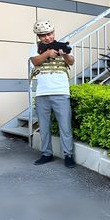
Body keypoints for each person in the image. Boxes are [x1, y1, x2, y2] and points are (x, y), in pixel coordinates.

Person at [30, 20, 75, 168]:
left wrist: (64, 55)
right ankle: (46, 154)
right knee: (44, 127)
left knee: (65, 126)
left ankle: (68, 155)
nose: (48, 37)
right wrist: (48, 53)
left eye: (49, 34)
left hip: (61, 92)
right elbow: (35, 61)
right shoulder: (35, 47)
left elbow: (71, 61)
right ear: (39, 36)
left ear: (54, 32)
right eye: (43, 35)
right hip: (42, 93)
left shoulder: (62, 45)